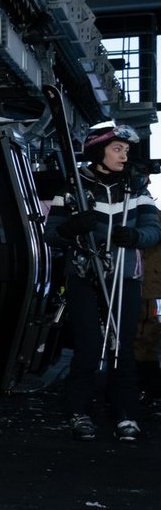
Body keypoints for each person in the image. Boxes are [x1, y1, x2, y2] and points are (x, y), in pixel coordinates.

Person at [48, 123, 160, 442]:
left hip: (124, 279)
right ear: (99, 152)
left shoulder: (135, 188)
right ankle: (79, 411)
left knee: (121, 348)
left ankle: (125, 412)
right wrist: (71, 229)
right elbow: (51, 234)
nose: (124, 156)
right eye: (117, 149)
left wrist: (136, 236)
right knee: (88, 346)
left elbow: (154, 229)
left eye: (126, 150)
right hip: (85, 276)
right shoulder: (75, 187)